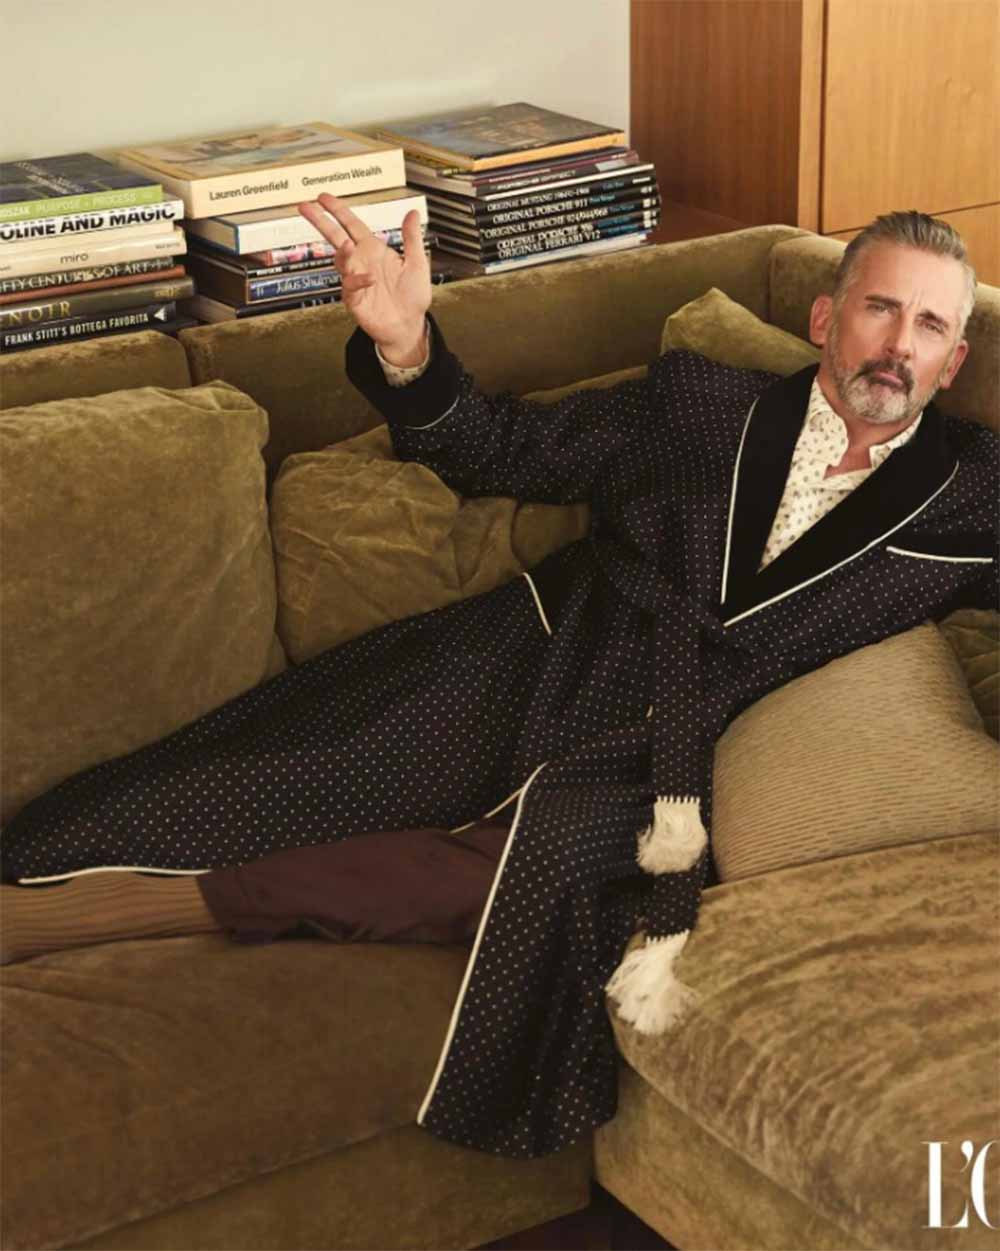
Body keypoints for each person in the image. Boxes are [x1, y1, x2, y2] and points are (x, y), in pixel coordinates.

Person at [2, 205, 996, 1158]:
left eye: (929, 326)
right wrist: (404, 343)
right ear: (824, 318)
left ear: (953, 361)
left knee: (522, 873)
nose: (897, 346)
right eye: (879, 307)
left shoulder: (975, 495)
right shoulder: (700, 403)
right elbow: (497, 448)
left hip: (663, 767)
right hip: (540, 659)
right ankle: (38, 879)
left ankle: (142, 912)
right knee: (283, 771)